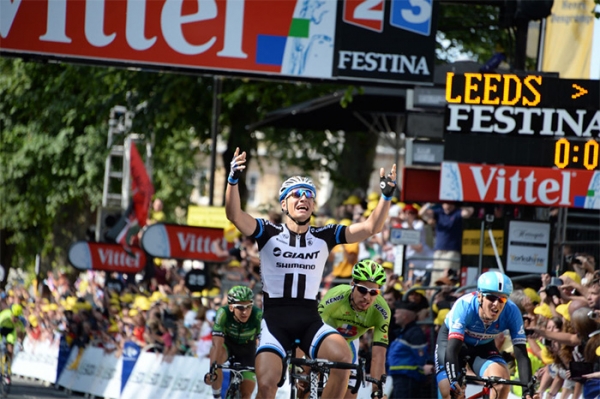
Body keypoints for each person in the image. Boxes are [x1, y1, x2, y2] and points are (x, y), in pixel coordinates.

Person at [225, 147, 397, 399]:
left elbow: (372, 227)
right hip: (275, 322)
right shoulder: (268, 232)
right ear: (284, 203)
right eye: (295, 194)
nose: (303, 198)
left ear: (314, 204)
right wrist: (232, 180)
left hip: (310, 319)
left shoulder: (324, 235)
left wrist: (386, 196)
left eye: (309, 194)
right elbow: (234, 215)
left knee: (344, 359)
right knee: (267, 385)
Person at [435, 271, 534, 399]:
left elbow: (521, 355)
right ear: (480, 296)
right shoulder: (465, 306)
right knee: (449, 392)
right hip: (453, 344)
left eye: (502, 299)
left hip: (483, 346)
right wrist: (453, 380)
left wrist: (528, 391)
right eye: (491, 298)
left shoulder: (512, 311)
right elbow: (452, 349)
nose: (496, 304)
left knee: (501, 383)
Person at [318, 260, 390, 398]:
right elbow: (311, 330)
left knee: (350, 393)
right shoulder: (336, 296)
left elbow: (378, 355)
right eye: (362, 290)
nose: (367, 297)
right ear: (352, 284)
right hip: (322, 338)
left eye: (374, 292)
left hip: (349, 343)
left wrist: (377, 390)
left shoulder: (382, 311)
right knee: (307, 379)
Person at [204, 286, 262, 399]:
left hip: (248, 350)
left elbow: (262, 343)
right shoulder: (223, 313)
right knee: (216, 355)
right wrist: (212, 371)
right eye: (240, 307)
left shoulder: (257, 315)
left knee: (246, 394)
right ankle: (217, 395)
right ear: (231, 307)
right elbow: (217, 344)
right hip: (228, 346)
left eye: (248, 307)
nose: (245, 312)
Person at [387, 299, 430, 399]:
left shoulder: (415, 333)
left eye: (397, 313)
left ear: (404, 316)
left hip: (408, 379)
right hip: (400, 378)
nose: (394, 316)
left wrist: (422, 375)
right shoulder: (404, 332)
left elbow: (421, 357)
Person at [0, 304, 25, 382]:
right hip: (1, 329)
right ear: (11, 314)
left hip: (10, 331)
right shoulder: (5, 315)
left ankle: (7, 369)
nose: (15, 319)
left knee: (10, 350)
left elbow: (22, 333)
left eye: (17, 318)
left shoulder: (20, 321)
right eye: (14, 317)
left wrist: (20, 342)